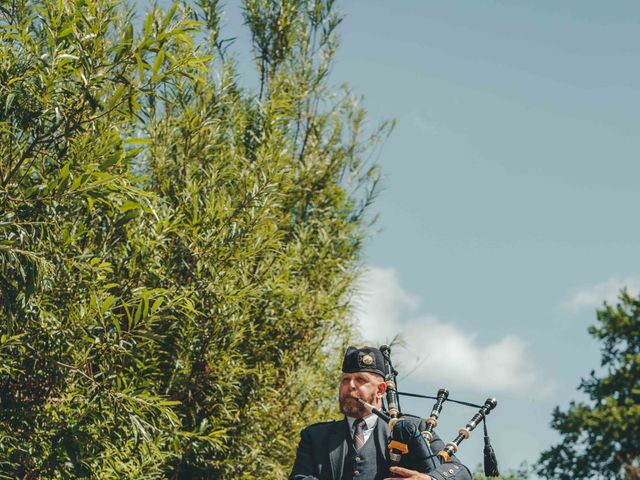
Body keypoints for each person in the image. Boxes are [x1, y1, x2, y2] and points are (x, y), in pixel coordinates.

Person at [289, 346, 472, 480]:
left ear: (381, 390)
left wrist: (429, 479)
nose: (350, 386)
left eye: (360, 380)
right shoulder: (315, 436)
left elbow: (460, 471)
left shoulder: (415, 427)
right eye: (345, 380)